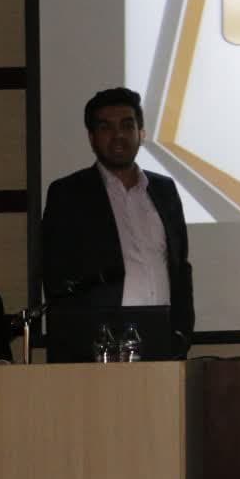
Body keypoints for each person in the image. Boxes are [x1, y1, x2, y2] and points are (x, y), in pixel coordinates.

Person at [41, 87, 194, 339]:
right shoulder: (68, 193)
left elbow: (180, 266)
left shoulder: (164, 190)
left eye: (127, 125)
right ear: (91, 138)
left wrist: (182, 331)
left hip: (162, 335)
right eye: (106, 127)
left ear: (141, 133)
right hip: (101, 341)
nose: (118, 135)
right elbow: (56, 275)